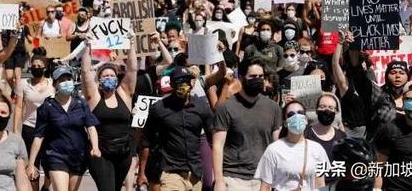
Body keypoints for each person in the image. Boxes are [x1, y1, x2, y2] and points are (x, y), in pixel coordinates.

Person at [140, 66, 214, 191]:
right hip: (170, 172)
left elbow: (213, 140)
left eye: (186, 81)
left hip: (194, 173)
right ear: (172, 84)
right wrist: (142, 172)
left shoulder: (202, 107)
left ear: (191, 83)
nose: (183, 85)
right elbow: (146, 141)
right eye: (179, 81)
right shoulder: (159, 108)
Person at [212, 58, 283, 191]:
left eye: (261, 76)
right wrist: (219, 181)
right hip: (233, 178)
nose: (258, 79)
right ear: (241, 77)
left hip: (263, 179)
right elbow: (218, 146)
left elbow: (277, 146)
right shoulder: (226, 108)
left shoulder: (274, 108)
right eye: (253, 76)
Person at [27, 65, 101, 191]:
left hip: (78, 156)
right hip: (56, 155)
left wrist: (95, 147)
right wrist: (31, 163)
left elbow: (91, 126)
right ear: (55, 84)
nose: (67, 82)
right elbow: (39, 136)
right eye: (62, 80)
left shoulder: (80, 103)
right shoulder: (47, 107)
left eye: (69, 79)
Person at [81, 38, 138, 191]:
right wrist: (88, 46)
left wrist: (131, 44)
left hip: (123, 153)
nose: (109, 78)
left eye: (112, 76)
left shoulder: (125, 94)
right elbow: (86, 72)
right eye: (105, 76)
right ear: (99, 80)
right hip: (101, 152)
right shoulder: (94, 97)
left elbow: (132, 70)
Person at [255, 100, 327, 191]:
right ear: (285, 122)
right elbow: (265, 187)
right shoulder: (273, 150)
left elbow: (320, 184)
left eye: (300, 113)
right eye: (291, 114)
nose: (296, 117)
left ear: (306, 119)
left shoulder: (318, 149)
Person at [13, 55, 55, 191]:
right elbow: (19, 107)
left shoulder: (53, 83)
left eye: (39, 66)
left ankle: (46, 187)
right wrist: (15, 131)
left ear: (45, 67)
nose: (36, 68)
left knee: (51, 166)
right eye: (34, 66)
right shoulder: (23, 84)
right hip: (30, 129)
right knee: (32, 166)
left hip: (50, 130)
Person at [305, 93, 346, 164]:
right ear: (316, 110)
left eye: (331, 108)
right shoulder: (305, 134)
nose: (326, 110)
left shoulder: (342, 137)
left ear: (336, 112)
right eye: (322, 107)